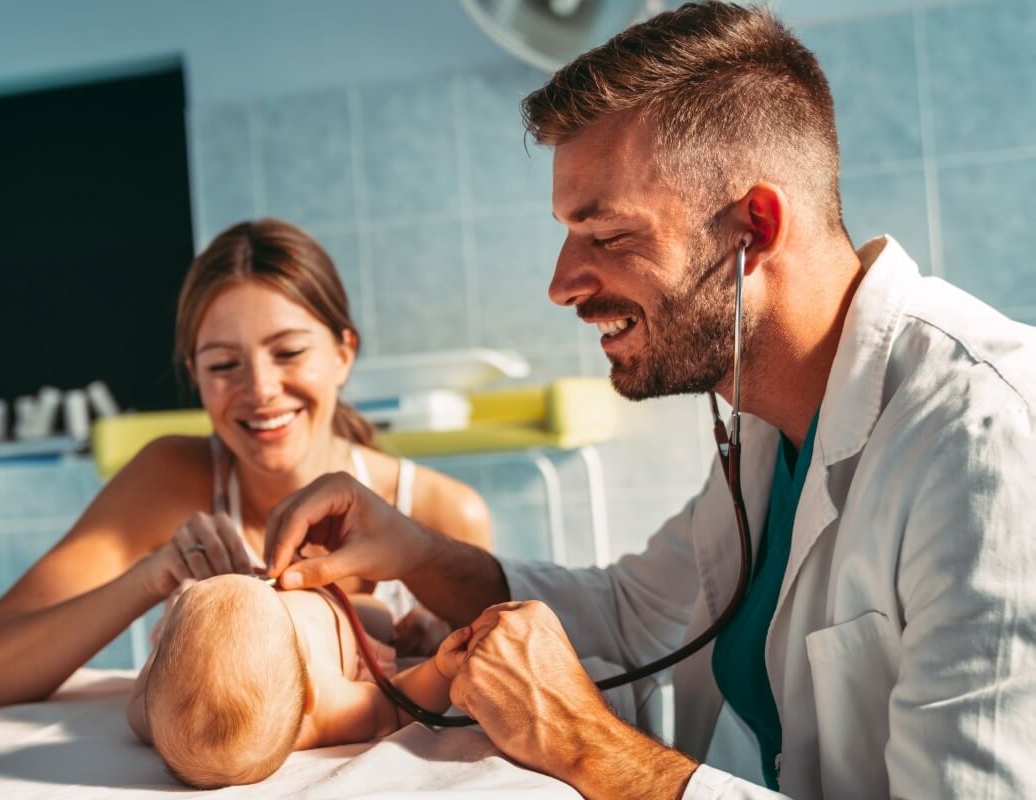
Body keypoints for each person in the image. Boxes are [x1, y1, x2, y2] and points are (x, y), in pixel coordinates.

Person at [259, 3, 1036, 799]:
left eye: (608, 236)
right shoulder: (770, 428)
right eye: (567, 235)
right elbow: (632, 614)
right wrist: (414, 551)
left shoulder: (987, 447)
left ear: (753, 229)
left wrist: (586, 747)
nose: (561, 285)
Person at [0, 218, 491, 715]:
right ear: (194, 374)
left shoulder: (441, 512)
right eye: (224, 364)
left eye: (289, 352)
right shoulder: (171, 478)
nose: (261, 390)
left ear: (343, 353)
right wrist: (151, 576)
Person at [126, 574, 469, 788]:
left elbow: (140, 699)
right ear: (308, 698)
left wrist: (174, 620)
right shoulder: (328, 709)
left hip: (240, 609)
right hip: (339, 613)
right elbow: (397, 707)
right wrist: (441, 671)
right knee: (383, 620)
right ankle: (418, 626)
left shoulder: (156, 719)